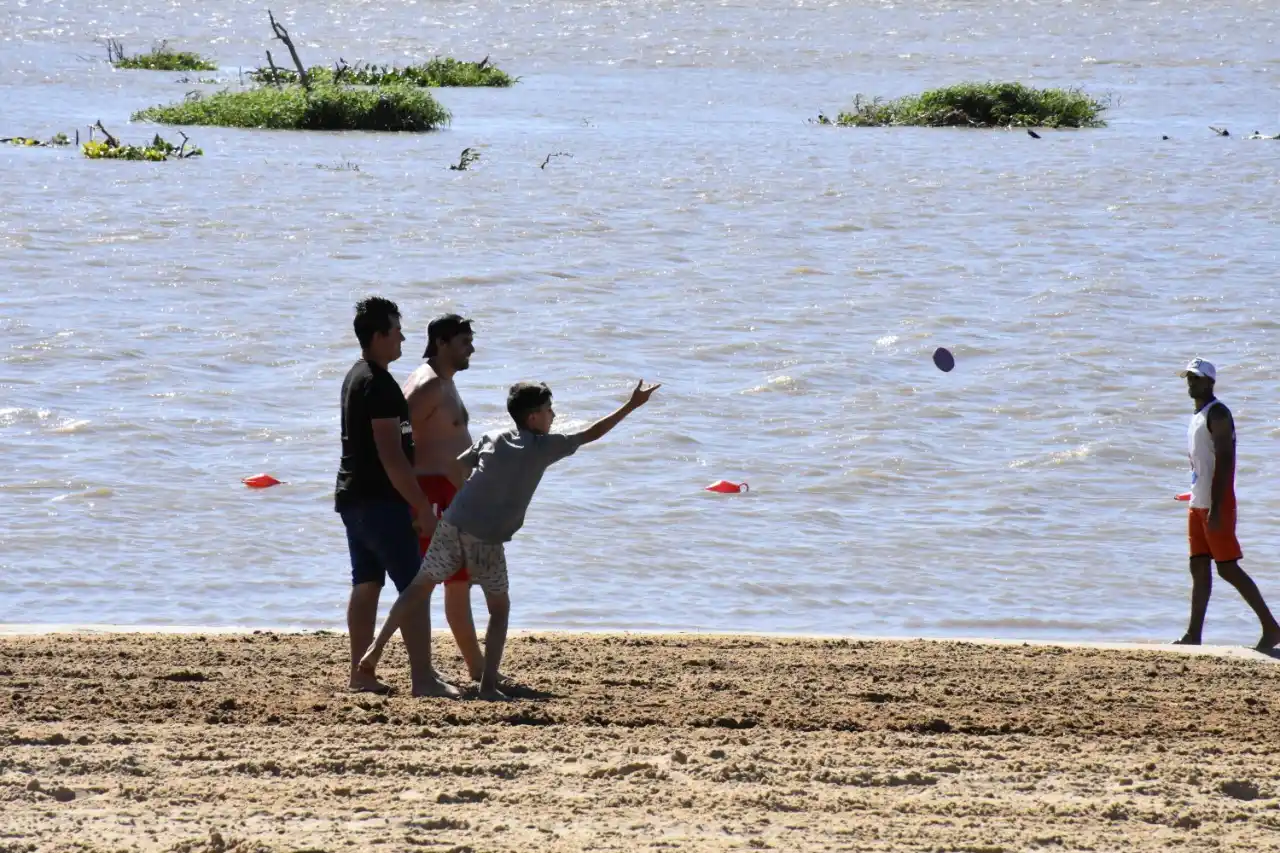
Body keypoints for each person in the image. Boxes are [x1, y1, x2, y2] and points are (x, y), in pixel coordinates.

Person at [358, 378, 661, 699]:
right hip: (485, 537)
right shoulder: (545, 447)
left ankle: (375, 651)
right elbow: (592, 434)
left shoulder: (493, 437)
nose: (554, 415)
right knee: (499, 609)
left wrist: (473, 495)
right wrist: (631, 406)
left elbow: (456, 468)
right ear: (533, 418)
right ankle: (488, 686)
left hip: (454, 521)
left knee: (420, 586)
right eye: (548, 410)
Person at [334, 297, 458, 698]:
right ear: (378, 336)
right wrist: (421, 506)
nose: (403, 336)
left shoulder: (356, 376)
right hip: (379, 501)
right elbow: (391, 454)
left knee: (367, 583)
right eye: (396, 330)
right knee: (415, 585)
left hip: (354, 498)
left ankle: (361, 675)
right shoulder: (378, 383)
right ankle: (422, 677)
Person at [1173, 357, 1280, 651]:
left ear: (1210, 382)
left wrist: (1218, 507)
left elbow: (1226, 460)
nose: (1191, 383)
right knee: (1198, 566)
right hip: (1199, 501)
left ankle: (1271, 628)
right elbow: (1203, 463)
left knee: (1227, 568)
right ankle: (1193, 634)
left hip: (1215, 504)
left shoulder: (1218, 413)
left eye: (1196, 378)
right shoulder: (1198, 414)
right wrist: (1192, 493)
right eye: (1189, 378)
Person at [402, 314, 486, 681]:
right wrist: (416, 500)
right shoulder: (427, 386)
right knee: (427, 583)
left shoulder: (445, 383)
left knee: (459, 582)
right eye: (464, 341)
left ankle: (478, 668)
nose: (471, 348)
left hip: (452, 495)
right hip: (432, 493)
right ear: (441, 342)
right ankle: (422, 670)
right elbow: (395, 438)